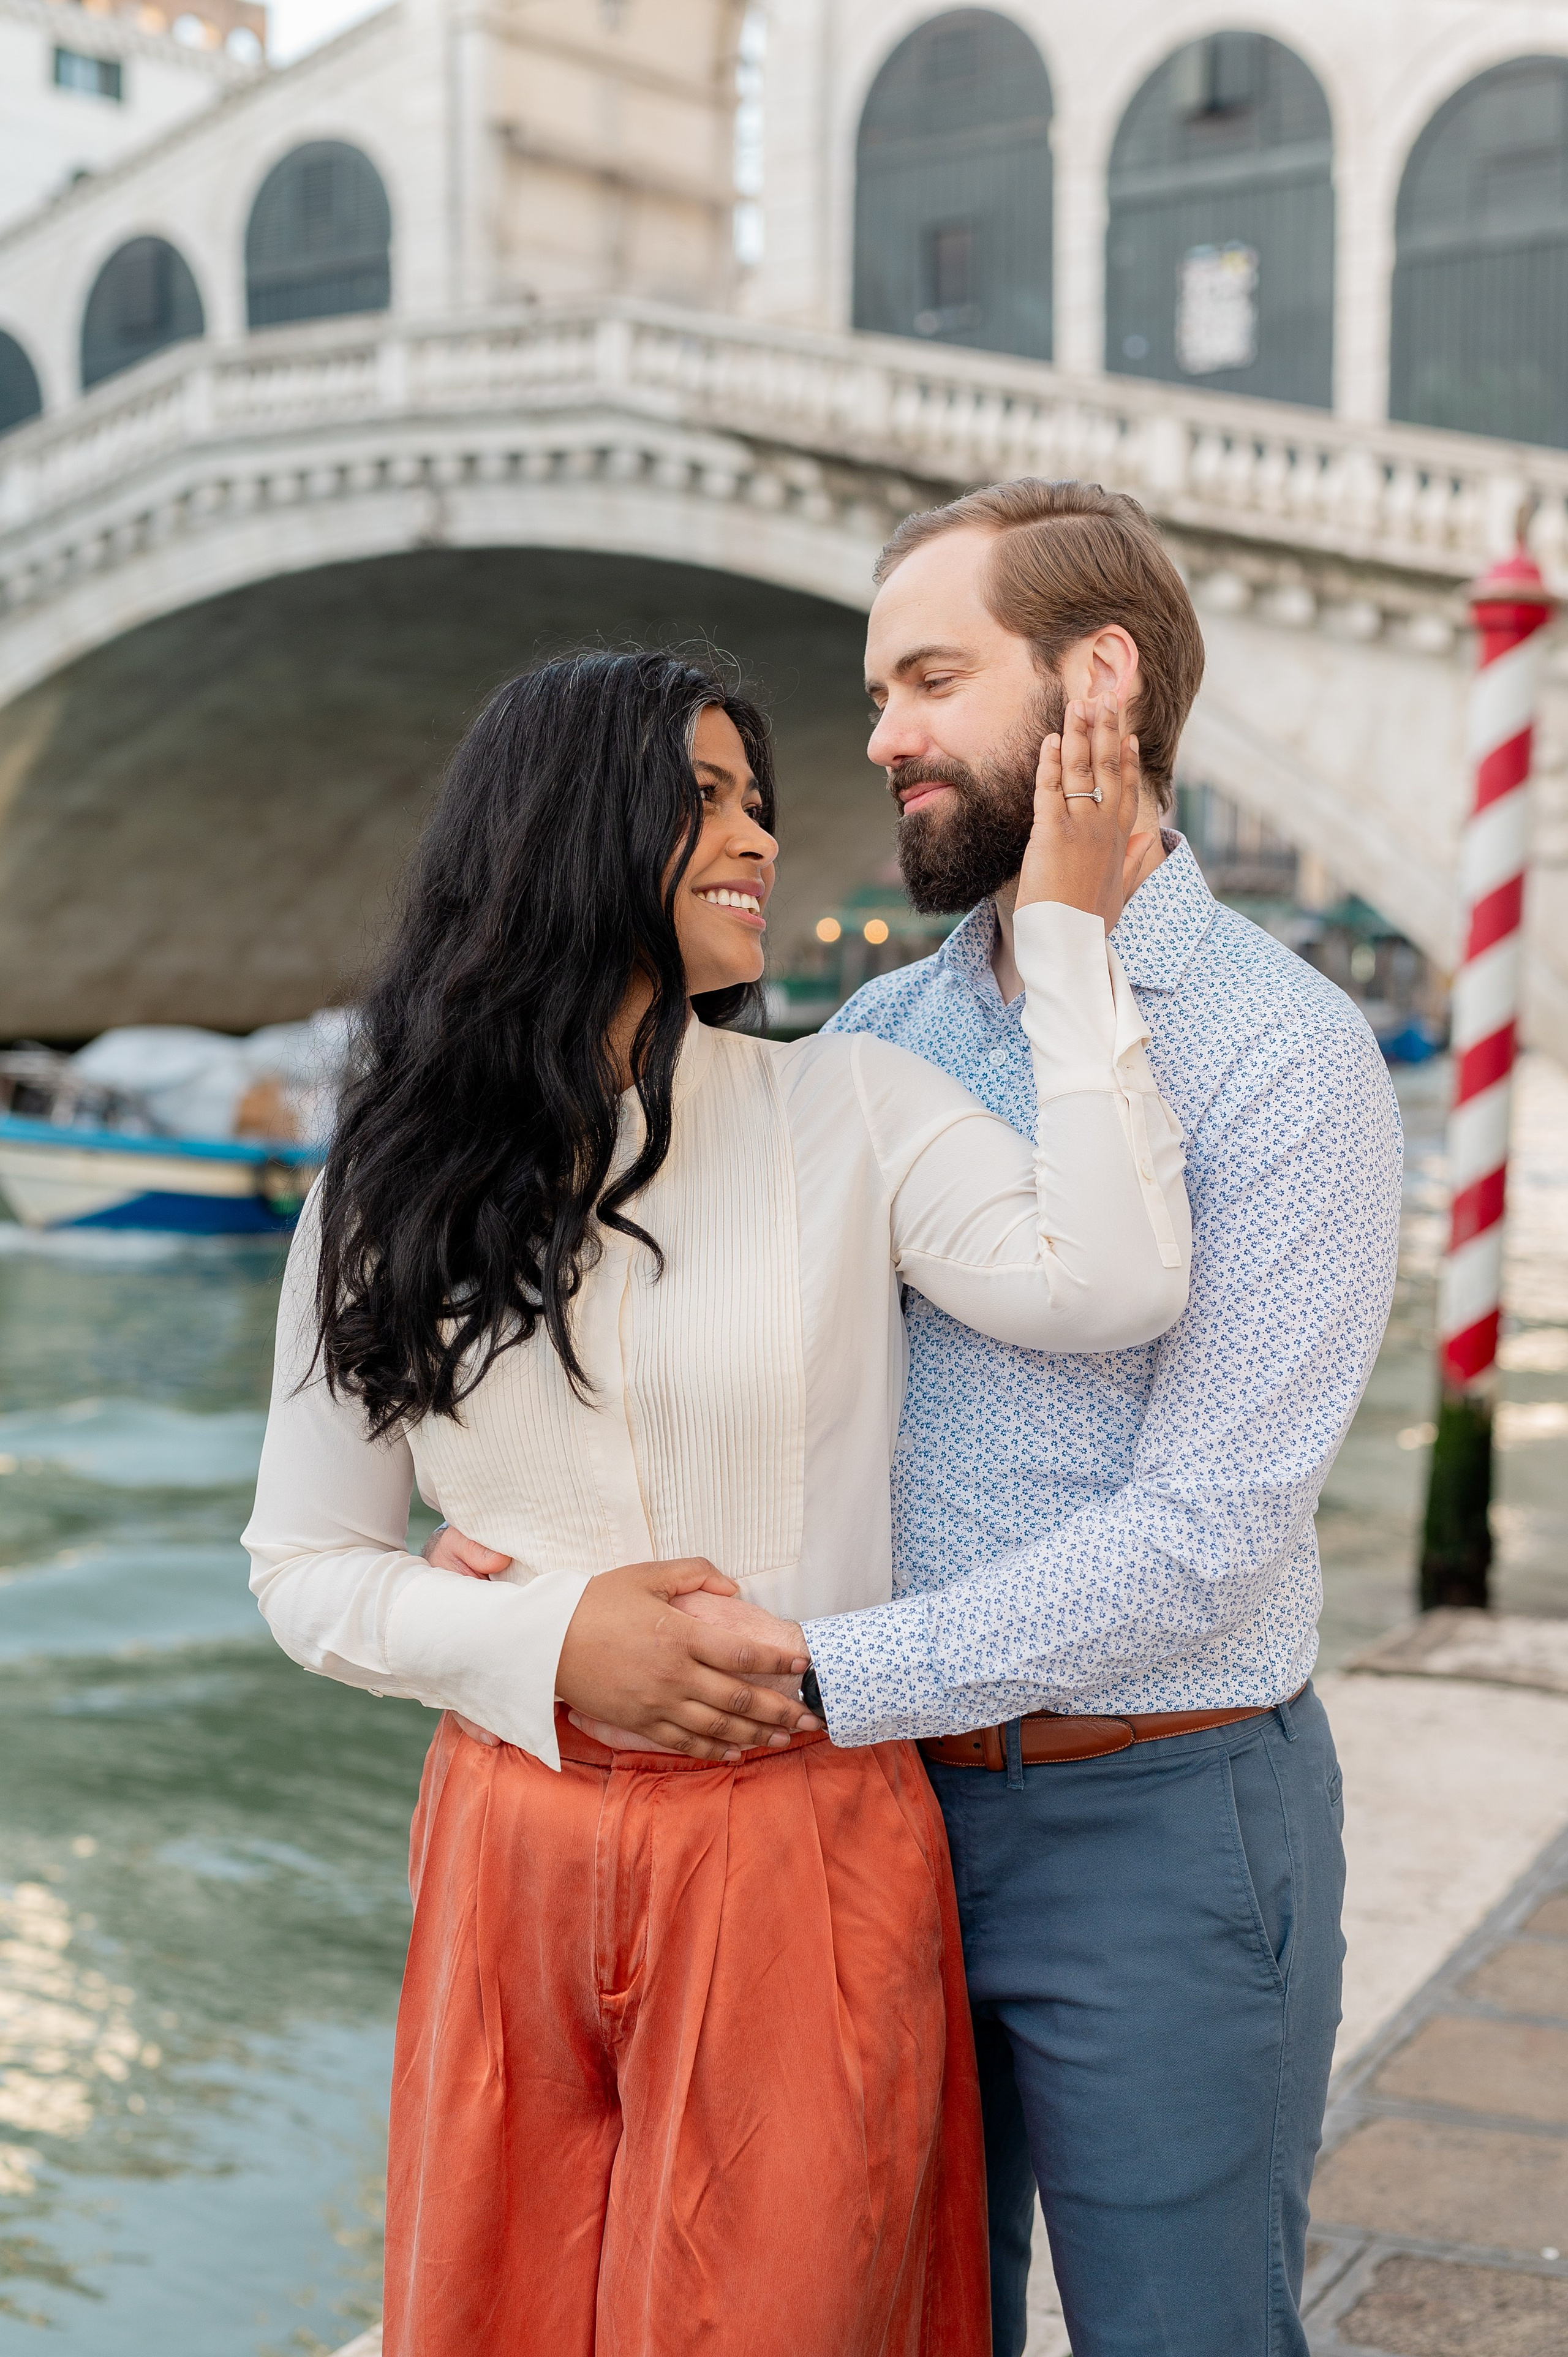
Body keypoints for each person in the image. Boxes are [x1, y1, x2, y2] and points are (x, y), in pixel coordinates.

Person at [437, 480, 1404, 2357]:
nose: (877, 737)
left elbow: (1208, 1528)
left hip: (1153, 1821)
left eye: (930, 680)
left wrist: (816, 1672)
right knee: (892, 2322)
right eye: (881, 691)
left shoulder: (1289, 1058)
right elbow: (700, 1349)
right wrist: (527, 1558)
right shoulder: (875, 1041)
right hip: (851, 1831)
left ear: (1095, 682)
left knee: (1185, 2336)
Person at [243, 646, 1192, 2357]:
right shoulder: (388, 1187)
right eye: (708, 800)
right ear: (569, 830)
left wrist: (1067, 941)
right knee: (493, 2319)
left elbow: (1114, 1278)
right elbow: (304, 1570)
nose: (758, 838)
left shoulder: (854, 1109)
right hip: (508, 1839)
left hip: (801, 1837)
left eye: (759, 800)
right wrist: (546, 1638)